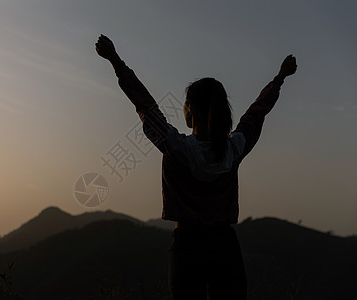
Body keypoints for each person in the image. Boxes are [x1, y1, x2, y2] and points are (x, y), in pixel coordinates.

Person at [95, 34, 297, 300]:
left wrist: (115, 60)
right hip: (225, 247)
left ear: (190, 111)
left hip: (186, 247)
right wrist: (279, 78)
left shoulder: (174, 146)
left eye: (185, 105)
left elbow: (144, 104)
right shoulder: (235, 148)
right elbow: (257, 112)